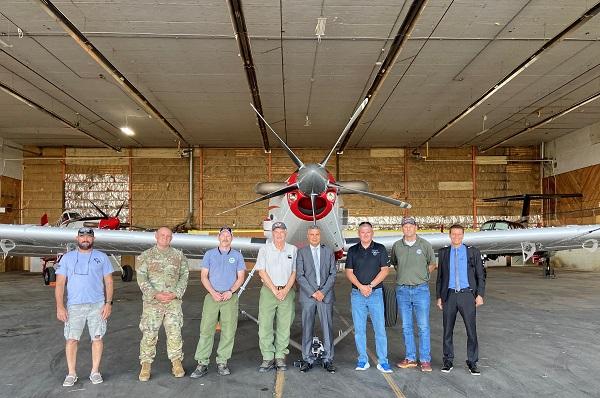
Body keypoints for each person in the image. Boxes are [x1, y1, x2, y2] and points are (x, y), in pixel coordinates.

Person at [55, 227, 114, 387]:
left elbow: (108, 281)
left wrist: (108, 303)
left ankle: (95, 371)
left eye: (88, 237)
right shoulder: (67, 258)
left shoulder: (102, 257)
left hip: (97, 305)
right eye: (82, 237)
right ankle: (71, 373)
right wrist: (60, 306)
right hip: (74, 306)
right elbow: (60, 284)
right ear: (77, 239)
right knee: (72, 339)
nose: (85, 239)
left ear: (93, 239)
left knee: (97, 338)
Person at [190, 226, 245, 378]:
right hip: (212, 297)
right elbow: (204, 276)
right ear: (218, 237)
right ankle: (202, 363)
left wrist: (230, 291)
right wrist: (213, 292)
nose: (225, 238)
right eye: (223, 235)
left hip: (229, 298)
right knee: (206, 330)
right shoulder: (209, 254)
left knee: (228, 331)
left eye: (228, 235)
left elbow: (240, 277)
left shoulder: (237, 256)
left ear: (232, 238)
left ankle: (222, 362)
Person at [136, 227, 189, 381]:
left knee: (175, 333)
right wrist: (155, 294)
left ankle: (176, 362)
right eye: (162, 235)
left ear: (171, 238)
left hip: (173, 302)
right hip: (153, 303)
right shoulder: (145, 256)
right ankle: (145, 364)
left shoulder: (179, 256)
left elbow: (184, 277)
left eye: (168, 236)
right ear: (156, 236)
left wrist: (175, 293)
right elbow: (142, 279)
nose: (165, 238)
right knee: (149, 333)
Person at [436, 224, 486, 375]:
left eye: (459, 234)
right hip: (449, 295)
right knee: (447, 330)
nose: (456, 237)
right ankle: (448, 361)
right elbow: (440, 277)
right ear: (449, 235)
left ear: (463, 235)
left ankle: (472, 362)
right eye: (453, 234)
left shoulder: (473, 252)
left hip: (467, 295)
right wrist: (439, 297)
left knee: (471, 331)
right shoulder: (444, 253)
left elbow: (480, 275)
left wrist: (480, 294)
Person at [345, 221, 393, 373]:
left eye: (368, 232)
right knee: (359, 330)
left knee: (380, 329)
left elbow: (385, 270)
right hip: (357, 295)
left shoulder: (380, 249)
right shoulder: (352, 250)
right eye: (362, 232)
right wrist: (361, 287)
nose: (365, 235)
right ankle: (362, 360)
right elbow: (349, 272)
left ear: (372, 233)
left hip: (375, 294)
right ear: (359, 234)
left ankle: (383, 361)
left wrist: (370, 286)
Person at [390, 216, 436, 372]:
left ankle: (425, 360)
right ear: (402, 228)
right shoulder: (397, 246)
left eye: (410, 226)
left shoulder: (425, 245)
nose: (408, 228)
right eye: (405, 226)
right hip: (402, 290)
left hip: (420, 290)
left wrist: (422, 276)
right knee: (406, 326)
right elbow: (395, 263)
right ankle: (410, 357)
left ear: (416, 227)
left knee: (423, 326)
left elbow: (432, 264)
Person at [256, 221, 297, 372]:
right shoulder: (264, 250)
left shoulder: (293, 249)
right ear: (272, 234)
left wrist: (286, 290)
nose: (279, 235)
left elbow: (294, 272)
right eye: (276, 232)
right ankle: (267, 357)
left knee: (284, 326)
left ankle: (280, 356)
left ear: (285, 233)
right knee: (265, 325)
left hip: (286, 291)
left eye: (282, 232)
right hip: (269, 292)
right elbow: (261, 272)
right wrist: (274, 290)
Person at [295, 225, 337, 373]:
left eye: (317, 234)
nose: (314, 237)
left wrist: (322, 292)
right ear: (308, 236)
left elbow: (333, 274)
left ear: (320, 236)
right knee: (307, 328)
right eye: (311, 234)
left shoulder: (328, 252)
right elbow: (300, 275)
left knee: (328, 328)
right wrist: (314, 292)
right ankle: (307, 359)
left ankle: (328, 359)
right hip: (308, 297)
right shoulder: (301, 253)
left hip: (325, 296)